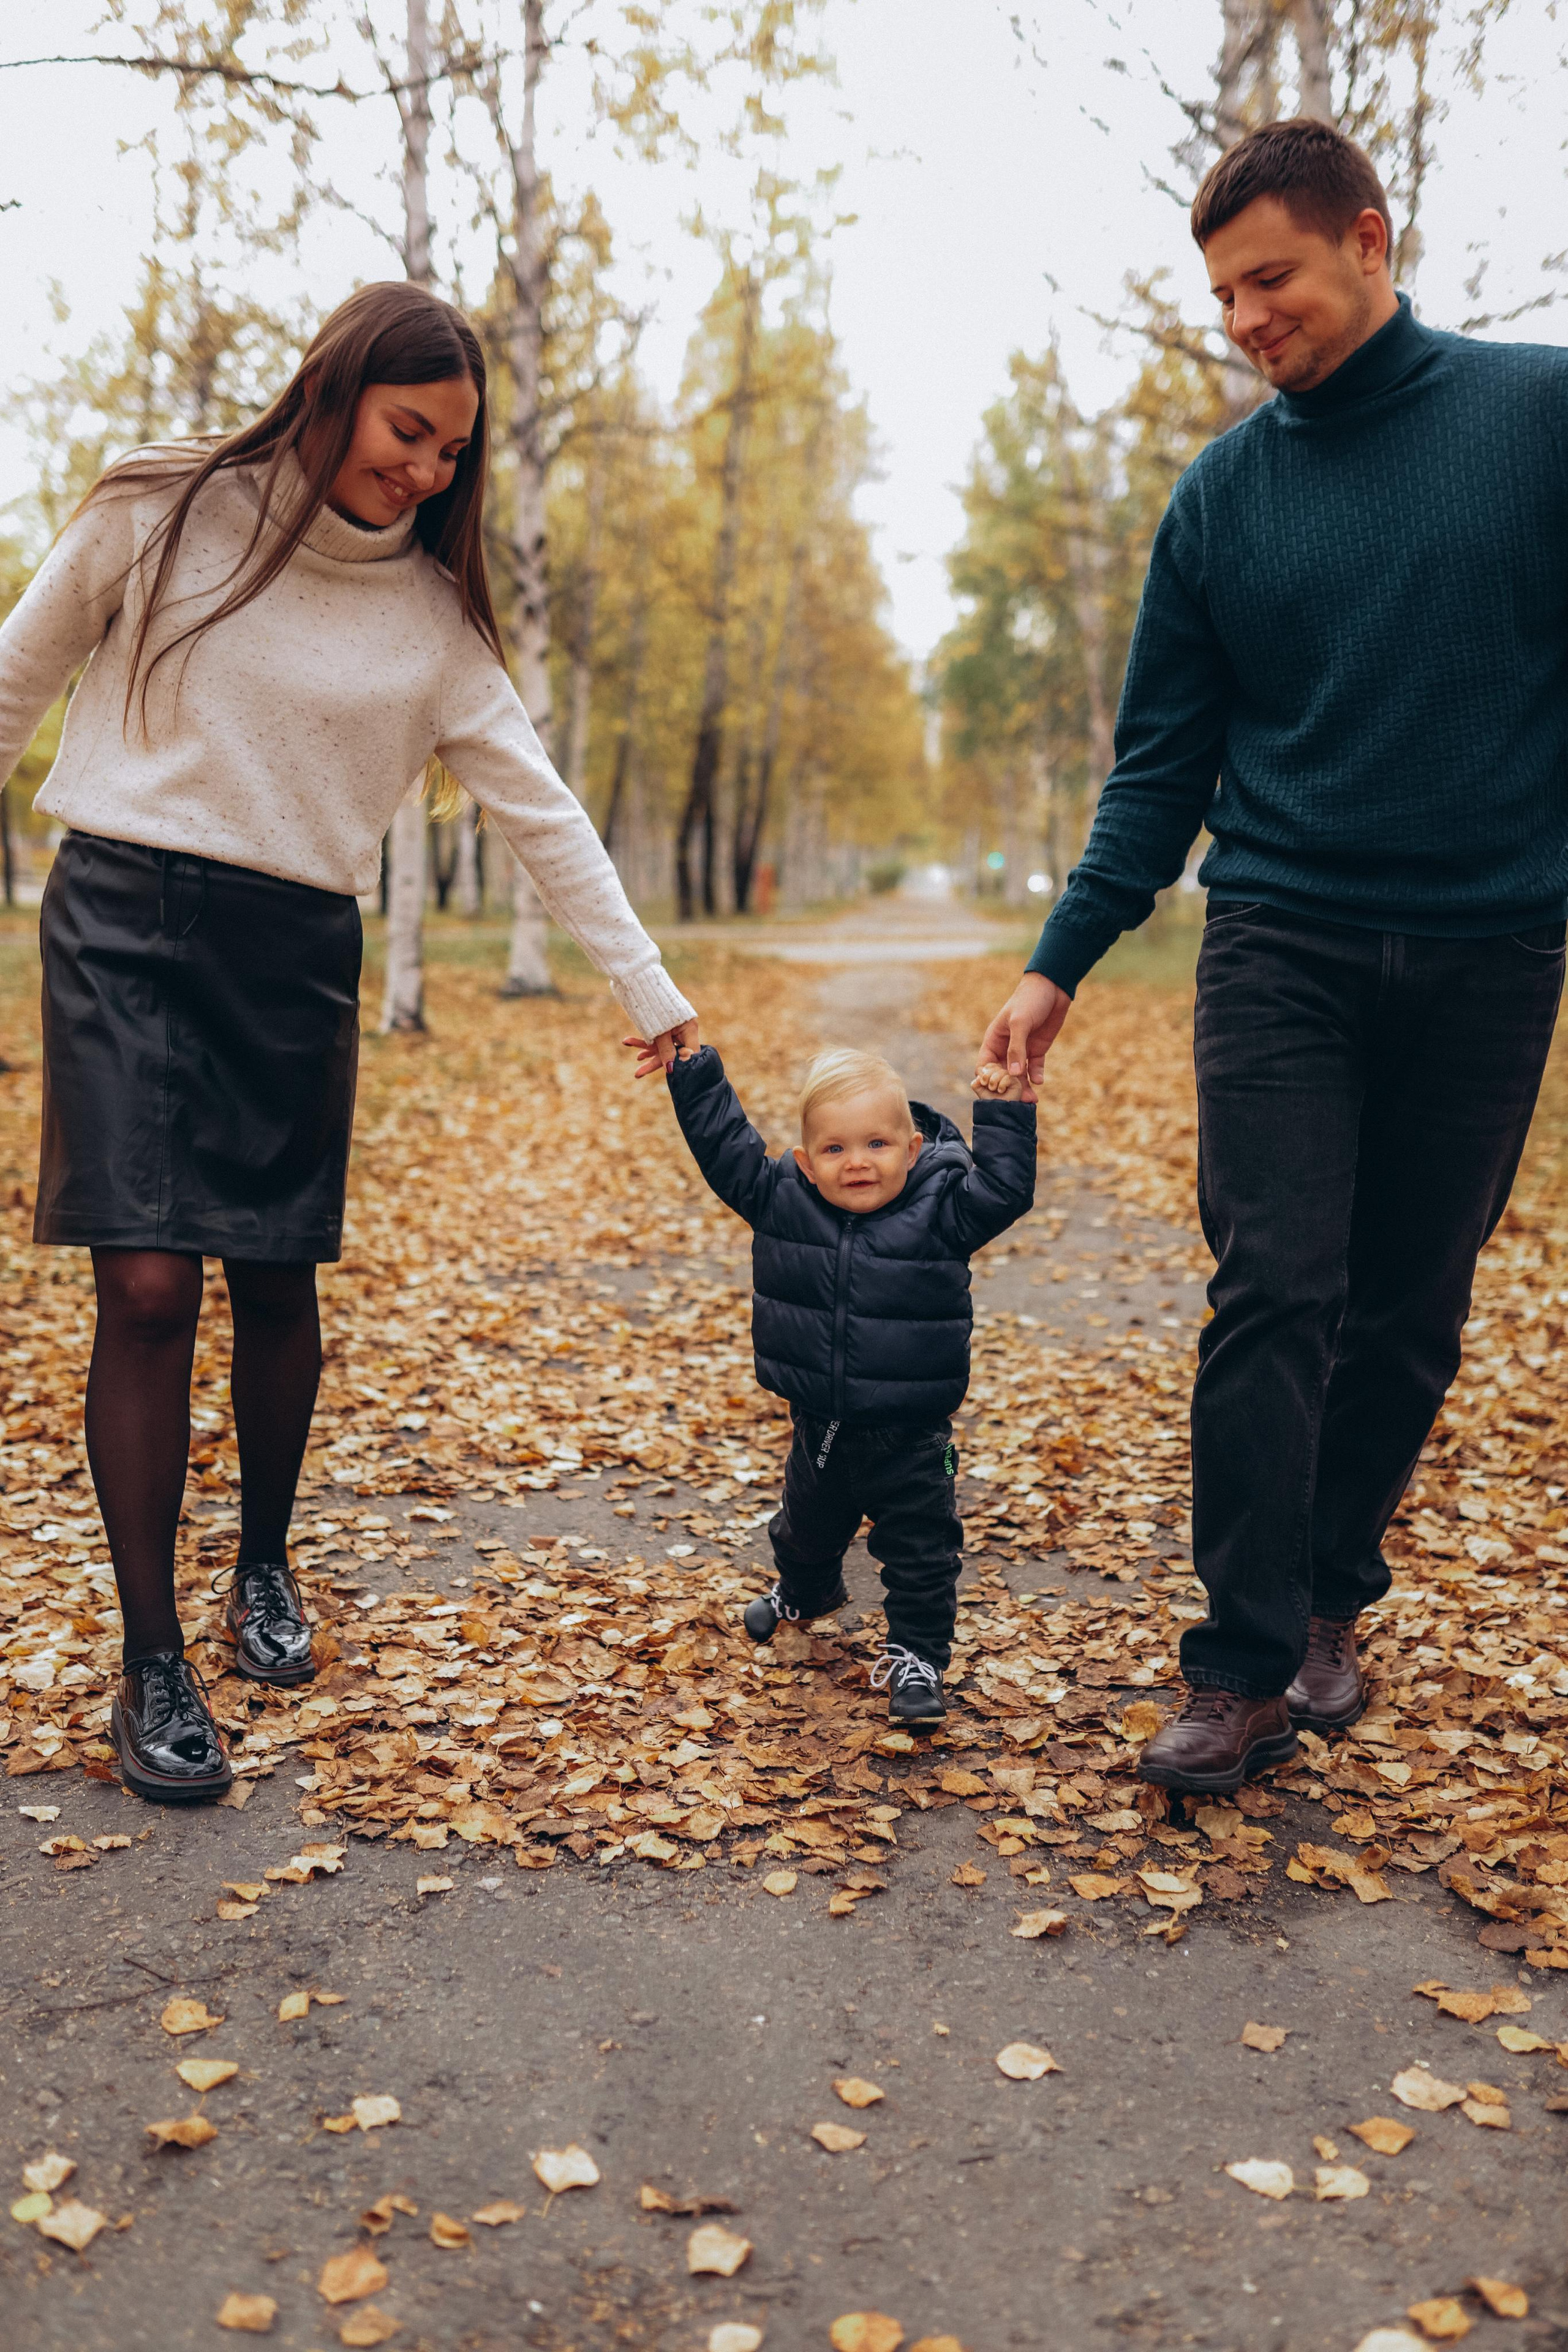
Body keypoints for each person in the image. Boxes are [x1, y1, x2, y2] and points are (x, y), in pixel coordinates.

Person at [0, 281, 696, 1805]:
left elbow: (539, 811)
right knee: (145, 1284)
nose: (427, 470)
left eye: (453, 452)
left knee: (270, 1275)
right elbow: (13, 683)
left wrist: (647, 986)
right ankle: (152, 1658)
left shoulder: (431, 621)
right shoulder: (155, 509)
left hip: (292, 951)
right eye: (409, 432)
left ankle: (261, 1563)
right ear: (328, 390)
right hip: (120, 922)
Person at [980, 116, 1568, 1796]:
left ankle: (1326, 1598)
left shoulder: (1535, 419)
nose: (1246, 320)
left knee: (1407, 1311)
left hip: (1491, 945)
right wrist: (1058, 960)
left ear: (1369, 240)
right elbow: (1158, 768)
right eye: (1223, 296)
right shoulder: (1221, 500)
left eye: (1271, 280)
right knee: (1272, 1288)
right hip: (1279, 939)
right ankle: (1236, 1665)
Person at [633, 1036, 1036, 1724]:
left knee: (922, 1553)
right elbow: (725, 1149)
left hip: (911, 1434)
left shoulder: (944, 1208)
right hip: (818, 1421)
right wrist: (693, 1072)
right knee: (803, 1529)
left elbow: (1005, 1190)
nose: (857, 1162)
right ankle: (806, 1592)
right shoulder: (781, 1200)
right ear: (805, 1162)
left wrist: (1006, 1112)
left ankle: (917, 1657)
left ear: (912, 1149)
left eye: (877, 1144)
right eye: (835, 1148)